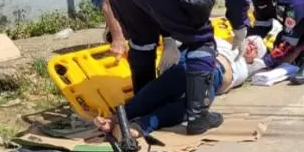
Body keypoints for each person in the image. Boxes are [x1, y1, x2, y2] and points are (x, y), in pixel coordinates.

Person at [97, 0, 251, 135]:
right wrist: (240, 28)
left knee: (142, 42)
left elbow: (162, 3)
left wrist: (168, 39)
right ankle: (198, 116)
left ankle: (141, 104)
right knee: (201, 41)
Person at [92, 35, 267, 137]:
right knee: (163, 87)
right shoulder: (224, 42)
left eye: (256, 49)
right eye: (251, 42)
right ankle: (117, 117)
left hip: (214, 76)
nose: (251, 47)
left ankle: (140, 126)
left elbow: (270, 65)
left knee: (190, 108)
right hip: (196, 62)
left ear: (255, 58)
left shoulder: (246, 68)